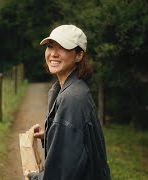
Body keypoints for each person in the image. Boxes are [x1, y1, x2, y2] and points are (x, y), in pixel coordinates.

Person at [27, 24, 111, 180]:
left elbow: (61, 172)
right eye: (50, 46)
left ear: (79, 55)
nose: (53, 54)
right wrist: (52, 132)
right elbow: (79, 139)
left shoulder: (72, 98)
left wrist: (33, 178)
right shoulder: (74, 88)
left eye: (63, 48)